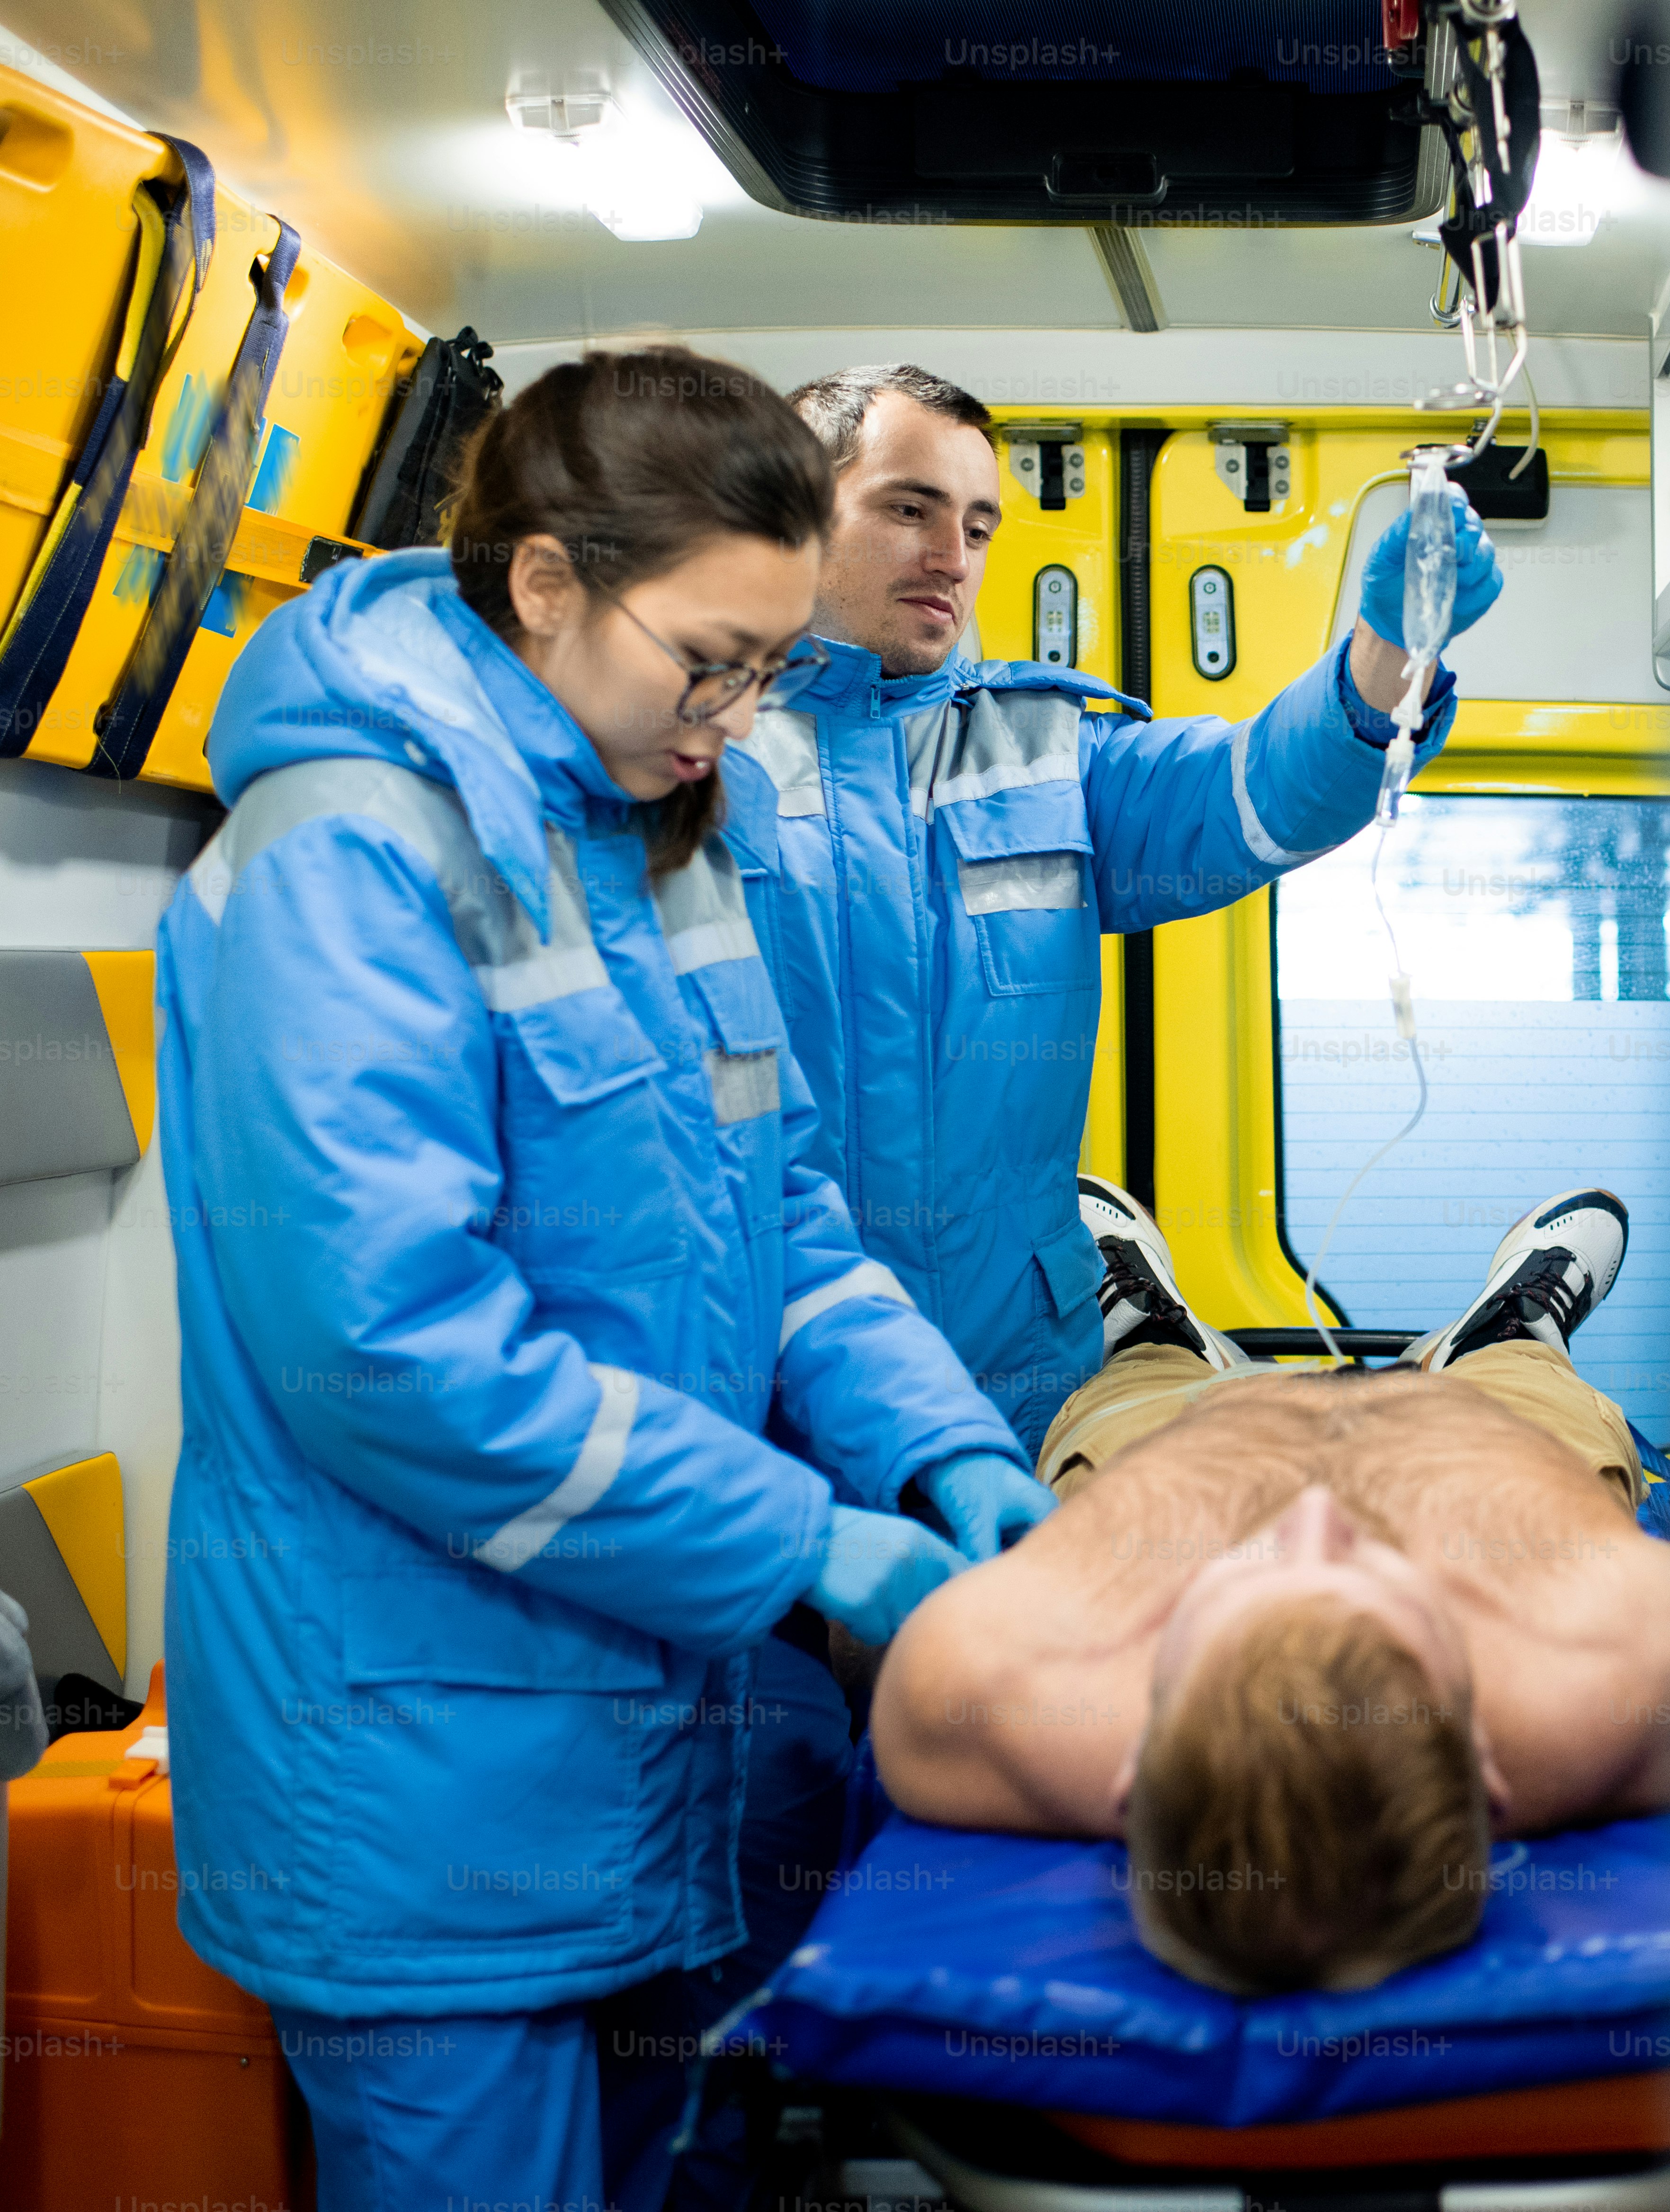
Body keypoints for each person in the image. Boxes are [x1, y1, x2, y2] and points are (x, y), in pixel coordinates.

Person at [153, 348, 1052, 2212]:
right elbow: (388, 1346)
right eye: (705, 659)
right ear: (548, 581)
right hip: (417, 1779)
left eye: (767, 671)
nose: (731, 716)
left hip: (640, 1761)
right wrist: (800, 1543)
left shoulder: (648, 836)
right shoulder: (349, 858)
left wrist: (937, 1451)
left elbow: (783, 1210)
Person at [721, 364, 1505, 1451]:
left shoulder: (1050, 754)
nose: (954, 556)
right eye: (910, 508)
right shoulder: (678, 756)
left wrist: (1388, 654)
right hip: (749, 1394)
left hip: (1009, 1393)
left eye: (980, 526)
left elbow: (1255, 795)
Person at [873, 1181, 1670, 1994]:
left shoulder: (976, 1696)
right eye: (1368, 1575)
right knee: (1539, 1408)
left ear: (1131, 1776)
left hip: (1198, 1442)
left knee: (1123, 1414)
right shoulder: (1639, 1683)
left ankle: (1153, 1338)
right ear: (1488, 1774)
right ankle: (1509, 1336)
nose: (1313, 1522)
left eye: (1239, 1591)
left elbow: (900, 1618)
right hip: (1471, 1443)